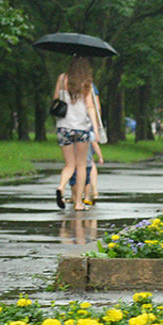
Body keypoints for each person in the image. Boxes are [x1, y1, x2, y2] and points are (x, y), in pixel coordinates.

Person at [53, 57, 105, 211]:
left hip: (63, 126)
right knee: (81, 165)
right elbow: (90, 107)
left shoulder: (62, 79)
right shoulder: (86, 82)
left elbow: (56, 98)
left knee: (69, 164)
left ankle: (61, 187)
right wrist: (95, 128)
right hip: (81, 128)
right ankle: (78, 203)